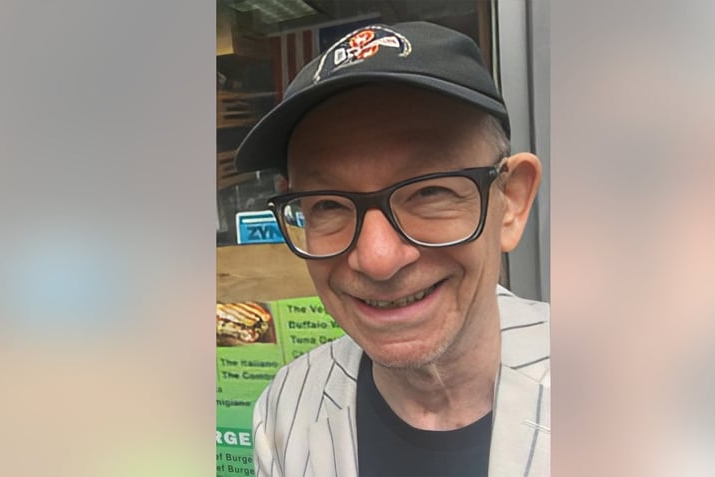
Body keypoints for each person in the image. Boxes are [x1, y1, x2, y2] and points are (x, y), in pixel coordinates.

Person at [234, 21, 550, 477]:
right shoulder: (286, 410)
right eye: (327, 204)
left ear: (511, 204)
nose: (378, 259)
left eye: (429, 192)